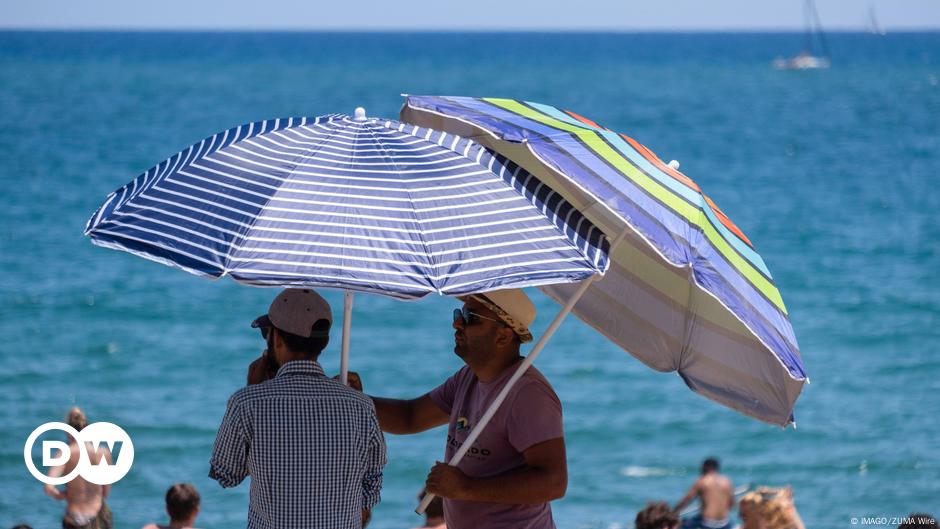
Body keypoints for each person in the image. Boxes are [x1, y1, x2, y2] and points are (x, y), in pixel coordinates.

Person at [348, 288, 567, 529]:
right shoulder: (468, 378)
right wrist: (353, 402)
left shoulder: (527, 394)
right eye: (459, 313)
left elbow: (553, 482)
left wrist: (465, 487)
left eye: (470, 317)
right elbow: (410, 417)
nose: (457, 324)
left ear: (503, 336)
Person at [209, 289, 387, 529]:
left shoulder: (247, 403)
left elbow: (226, 474)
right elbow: (372, 485)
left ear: (278, 339)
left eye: (266, 334)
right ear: (323, 341)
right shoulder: (361, 406)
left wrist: (252, 390)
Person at [43, 407, 113, 529]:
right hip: (98, 517)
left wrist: (63, 495)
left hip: (74, 517)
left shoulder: (64, 453)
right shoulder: (103, 452)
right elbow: (105, 493)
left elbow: (48, 487)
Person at [674, 458, 734, 529]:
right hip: (724, 523)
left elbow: (687, 500)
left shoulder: (702, 481)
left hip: (706, 523)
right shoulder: (727, 482)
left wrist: (674, 511)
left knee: (680, 524)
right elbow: (732, 504)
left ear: (705, 467)